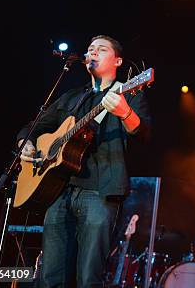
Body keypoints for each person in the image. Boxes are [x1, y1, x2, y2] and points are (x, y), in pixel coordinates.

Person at [17, 35, 151, 287]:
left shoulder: (129, 93)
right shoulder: (72, 97)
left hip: (100, 191)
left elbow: (143, 134)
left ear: (118, 60)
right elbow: (34, 127)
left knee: (89, 277)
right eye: (90, 49)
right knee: (50, 276)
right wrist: (27, 143)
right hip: (58, 190)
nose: (93, 52)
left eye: (101, 49)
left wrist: (125, 112)